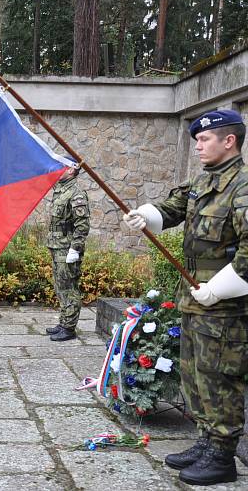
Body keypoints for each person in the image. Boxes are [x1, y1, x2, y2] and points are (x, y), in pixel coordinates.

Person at [123, 109, 248, 486]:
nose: (197, 144)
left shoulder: (242, 186)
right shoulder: (204, 181)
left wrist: (219, 288)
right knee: (194, 374)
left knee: (220, 377)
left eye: (204, 139)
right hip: (196, 299)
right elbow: (173, 207)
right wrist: (145, 215)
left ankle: (223, 455)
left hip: (226, 305)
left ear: (230, 141)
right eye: (196, 139)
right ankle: (207, 440)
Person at [44, 160, 90, 342]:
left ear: (71, 170)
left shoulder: (76, 193)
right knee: (60, 286)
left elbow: (82, 225)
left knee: (69, 287)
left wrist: (75, 249)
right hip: (57, 245)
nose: (57, 169)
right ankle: (64, 323)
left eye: (61, 166)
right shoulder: (61, 189)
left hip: (67, 248)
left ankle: (69, 328)